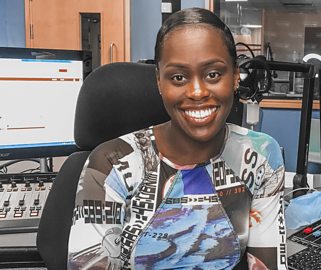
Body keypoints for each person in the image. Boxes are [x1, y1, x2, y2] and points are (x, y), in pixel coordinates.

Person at [67, 7, 287, 270]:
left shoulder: (262, 155)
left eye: (213, 74)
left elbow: (267, 264)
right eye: (178, 77)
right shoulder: (112, 162)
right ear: (160, 81)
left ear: (235, 76)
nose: (197, 91)